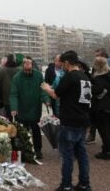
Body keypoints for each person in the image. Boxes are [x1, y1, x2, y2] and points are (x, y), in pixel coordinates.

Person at [42, 50, 92, 191]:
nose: (62, 66)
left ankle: (66, 185)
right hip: (83, 121)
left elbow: (56, 94)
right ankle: (84, 184)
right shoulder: (85, 77)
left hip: (69, 122)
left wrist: (46, 88)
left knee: (67, 156)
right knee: (82, 155)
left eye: (63, 63)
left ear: (67, 63)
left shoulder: (69, 77)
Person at [10, 56, 50, 160]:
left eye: (29, 63)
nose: (27, 65)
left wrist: (46, 100)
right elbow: (13, 94)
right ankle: (25, 151)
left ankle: (38, 150)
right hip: (21, 110)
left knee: (36, 131)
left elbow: (42, 90)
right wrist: (14, 107)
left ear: (32, 64)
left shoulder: (38, 75)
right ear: (22, 65)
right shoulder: (17, 77)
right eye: (25, 63)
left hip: (35, 109)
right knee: (23, 132)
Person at [91, 56, 110, 160]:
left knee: (104, 130)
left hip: (101, 107)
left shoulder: (99, 78)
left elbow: (96, 90)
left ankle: (107, 151)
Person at [86, 48, 109, 144]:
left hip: (107, 99)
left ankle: (108, 145)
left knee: (106, 123)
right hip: (96, 98)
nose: (95, 58)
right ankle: (92, 135)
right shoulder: (95, 67)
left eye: (97, 56)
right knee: (93, 116)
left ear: (103, 56)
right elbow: (93, 79)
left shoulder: (109, 66)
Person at [0, 54, 19, 120]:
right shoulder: (19, 71)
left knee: (8, 119)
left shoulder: (2, 71)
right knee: (19, 119)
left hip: (6, 100)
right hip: (18, 99)